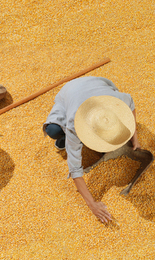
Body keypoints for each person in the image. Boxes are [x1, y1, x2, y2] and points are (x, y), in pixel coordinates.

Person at [43, 76, 140, 223]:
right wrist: (92, 204)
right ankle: (62, 138)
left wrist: (135, 139)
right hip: (70, 92)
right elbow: (75, 170)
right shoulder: (74, 124)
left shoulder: (117, 100)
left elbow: (131, 104)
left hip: (95, 83)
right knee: (53, 130)